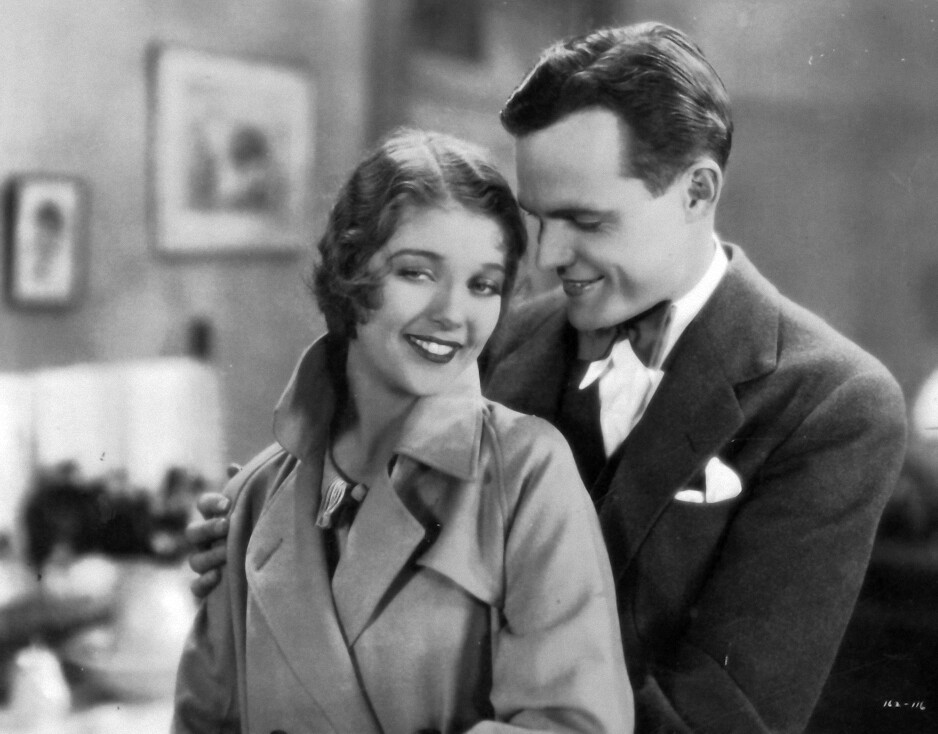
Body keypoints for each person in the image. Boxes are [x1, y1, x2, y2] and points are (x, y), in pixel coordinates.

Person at [187, 23, 908, 733]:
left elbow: (718, 719)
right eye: (538, 220)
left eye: (586, 221)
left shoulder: (834, 403)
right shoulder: (496, 338)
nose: (550, 256)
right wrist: (270, 552)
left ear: (696, 191)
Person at [172, 129, 633, 733]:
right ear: (350, 270)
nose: (452, 313)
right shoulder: (253, 498)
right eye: (416, 273)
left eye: (483, 285)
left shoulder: (526, 472)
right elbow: (203, 722)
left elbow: (577, 726)